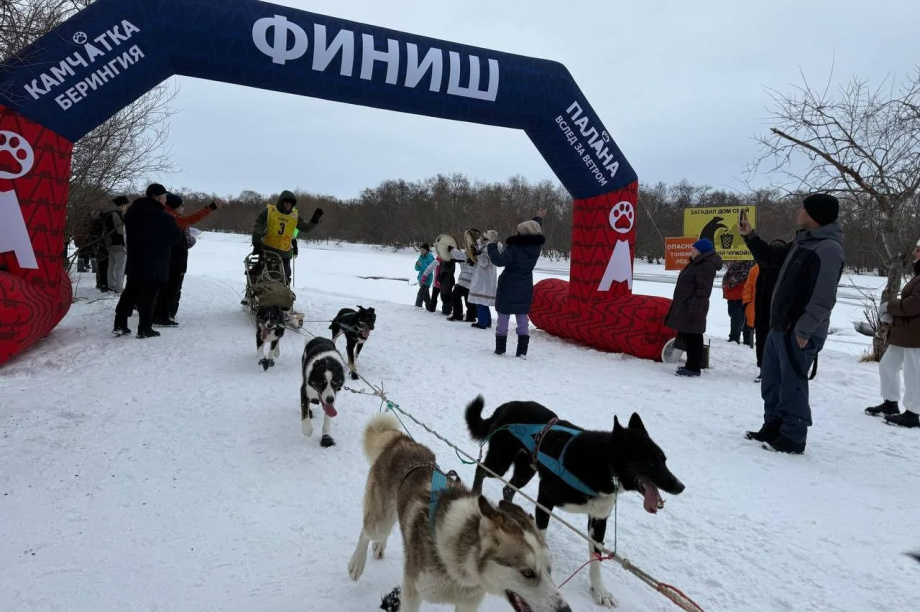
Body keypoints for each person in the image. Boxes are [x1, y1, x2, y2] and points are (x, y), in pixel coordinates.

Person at [740, 193, 845, 454]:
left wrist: (804, 330)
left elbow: (824, 297)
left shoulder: (828, 249)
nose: (799, 212)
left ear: (815, 217)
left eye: (803, 209)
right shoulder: (802, 241)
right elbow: (770, 259)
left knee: (792, 384)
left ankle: (793, 435)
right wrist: (750, 235)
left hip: (798, 332)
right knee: (772, 382)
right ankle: (773, 425)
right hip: (779, 328)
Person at [113, 184, 184, 339]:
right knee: (148, 297)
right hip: (155, 262)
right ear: (157, 197)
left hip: (135, 260)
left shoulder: (131, 213)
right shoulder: (163, 217)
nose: (166, 199)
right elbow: (176, 237)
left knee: (130, 293)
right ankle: (144, 328)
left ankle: (119, 324)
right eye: (164, 196)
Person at [865, 239, 920, 428]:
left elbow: (913, 305)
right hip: (905, 333)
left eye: (919, 250)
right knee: (887, 365)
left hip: (916, 336)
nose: (915, 253)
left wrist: (890, 306)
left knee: (914, 374)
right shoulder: (917, 276)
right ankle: (890, 403)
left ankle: (913, 413)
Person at [154, 194, 226, 325]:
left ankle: (162, 313)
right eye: (182, 206)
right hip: (174, 261)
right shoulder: (171, 218)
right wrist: (210, 207)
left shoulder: (163, 215)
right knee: (171, 289)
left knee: (165, 288)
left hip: (167, 259)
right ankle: (163, 315)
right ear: (175, 206)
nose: (183, 208)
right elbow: (192, 219)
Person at [487, 211, 546, 358]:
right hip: (525, 286)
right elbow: (534, 230)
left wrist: (491, 246)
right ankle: (522, 352)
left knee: (503, 317)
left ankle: (500, 349)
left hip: (508, 286)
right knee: (522, 318)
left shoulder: (514, 249)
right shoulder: (536, 248)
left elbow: (499, 261)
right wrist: (537, 219)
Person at [664, 238, 722, 377]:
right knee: (690, 335)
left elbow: (703, 291)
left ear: (702, 251)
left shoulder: (706, 265)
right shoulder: (696, 262)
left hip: (693, 306)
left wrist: (695, 309)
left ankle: (693, 367)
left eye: (694, 249)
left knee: (694, 337)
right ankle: (691, 365)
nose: (692, 251)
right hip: (687, 304)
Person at [251, 190, 323, 285]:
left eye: (291, 203)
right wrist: (256, 243)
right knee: (261, 272)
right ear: (281, 201)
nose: (288, 204)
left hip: (285, 251)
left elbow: (306, 228)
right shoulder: (270, 211)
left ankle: (283, 295)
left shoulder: (294, 216)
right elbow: (258, 226)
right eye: (286, 202)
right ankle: (254, 292)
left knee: (285, 274)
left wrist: (314, 221)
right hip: (267, 248)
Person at [743, 239, 788, 382]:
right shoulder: (756, 269)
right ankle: (764, 370)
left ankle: (779, 370)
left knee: (779, 344)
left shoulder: (788, 268)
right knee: (762, 343)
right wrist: (747, 304)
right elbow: (748, 289)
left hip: (781, 316)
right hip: (760, 313)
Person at [468, 231, 499, 329]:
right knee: (483, 301)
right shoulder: (491, 247)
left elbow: (485, 263)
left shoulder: (489, 248)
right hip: (485, 278)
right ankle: (487, 322)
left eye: (484, 238)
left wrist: (478, 255)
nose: (482, 239)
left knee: (480, 301)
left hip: (484, 279)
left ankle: (482, 323)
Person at [103, 196, 129, 293]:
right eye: (126, 205)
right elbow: (121, 232)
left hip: (110, 243)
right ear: (122, 205)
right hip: (119, 244)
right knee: (120, 267)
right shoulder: (118, 215)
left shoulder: (108, 214)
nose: (126, 207)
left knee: (111, 266)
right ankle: (118, 287)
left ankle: (111, 285)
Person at [723, 261, 753, 345]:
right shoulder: (735, 267)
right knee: (741, 318)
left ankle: (735, 338)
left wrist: (727, 284)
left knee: (738, 318)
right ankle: (746, 340)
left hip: (739, 296)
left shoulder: (744, 269)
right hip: (736, 296)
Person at [447, 245, 477, 322]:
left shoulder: (478, 258)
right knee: (455, 295)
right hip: (462, 282)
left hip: (472, 283)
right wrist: (451, 249)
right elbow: (458, 254)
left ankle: (471, 317)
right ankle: (457, 315)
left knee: (469, 301)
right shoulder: (464, 256)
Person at [90, 208, 110, 291]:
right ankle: (104, 284)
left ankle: (99, 283)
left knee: (100, 265)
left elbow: (91, 235)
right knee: (104, 265)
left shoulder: (93, 223)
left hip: (96, 245)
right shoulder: (102, 223)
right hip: (102, 246)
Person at [414, 243, 434, 308]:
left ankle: (417, 307)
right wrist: (417, 265)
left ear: (427, 250)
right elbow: (417, 269)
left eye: (423, 250)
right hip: (421, 279)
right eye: (421, 250)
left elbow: (429, 268)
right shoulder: (421, 257)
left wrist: (421, 264)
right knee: (426, 297)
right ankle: (430, 308)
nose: (421, 251)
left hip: (427, 279)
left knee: (420, 294)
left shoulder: (430, 258)